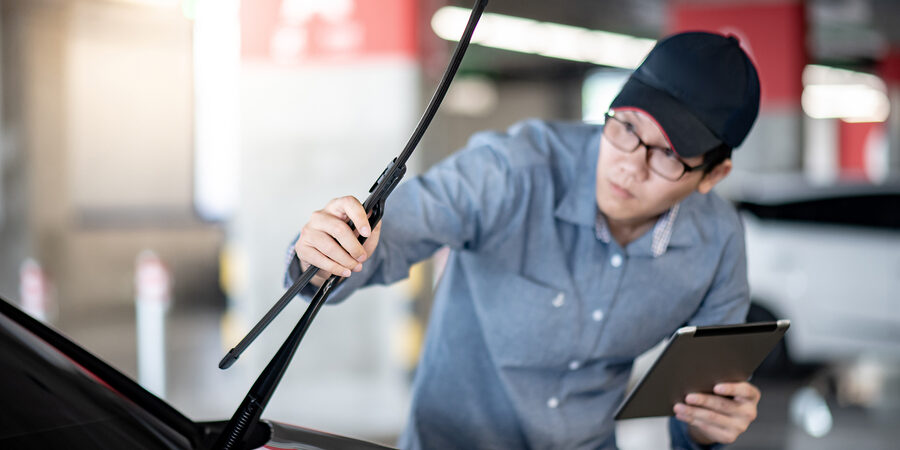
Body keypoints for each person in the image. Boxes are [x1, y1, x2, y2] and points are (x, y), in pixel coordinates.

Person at [286, 31, 762, 449]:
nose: (628, 165)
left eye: (667, 156)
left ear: (713, 174)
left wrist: (707, 427)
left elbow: (701, 404)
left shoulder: (717, 243)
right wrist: (325, 254)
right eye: (626, 128)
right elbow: (392, 235)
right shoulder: (512, 170)